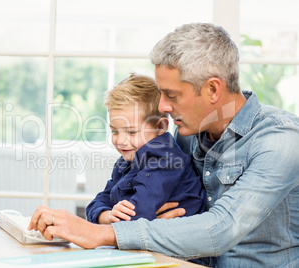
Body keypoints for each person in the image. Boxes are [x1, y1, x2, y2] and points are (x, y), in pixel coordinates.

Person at [29, 23, 299, 267]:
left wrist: (102, 233)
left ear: (213, 90)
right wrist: (141, 224)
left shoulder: (280, 141)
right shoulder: (187, 132)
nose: (162, 107)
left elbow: (221, 228)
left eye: (172, 95)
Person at [86, 73, 206, 224]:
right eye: (115, 131)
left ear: (161, 126)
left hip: (178, 242)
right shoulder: (126, 162)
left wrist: (112, 218)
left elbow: (135, 217)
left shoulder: (166, 161)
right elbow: (98, 202)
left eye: (131, 132)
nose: (121, 141)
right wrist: (107, 215)